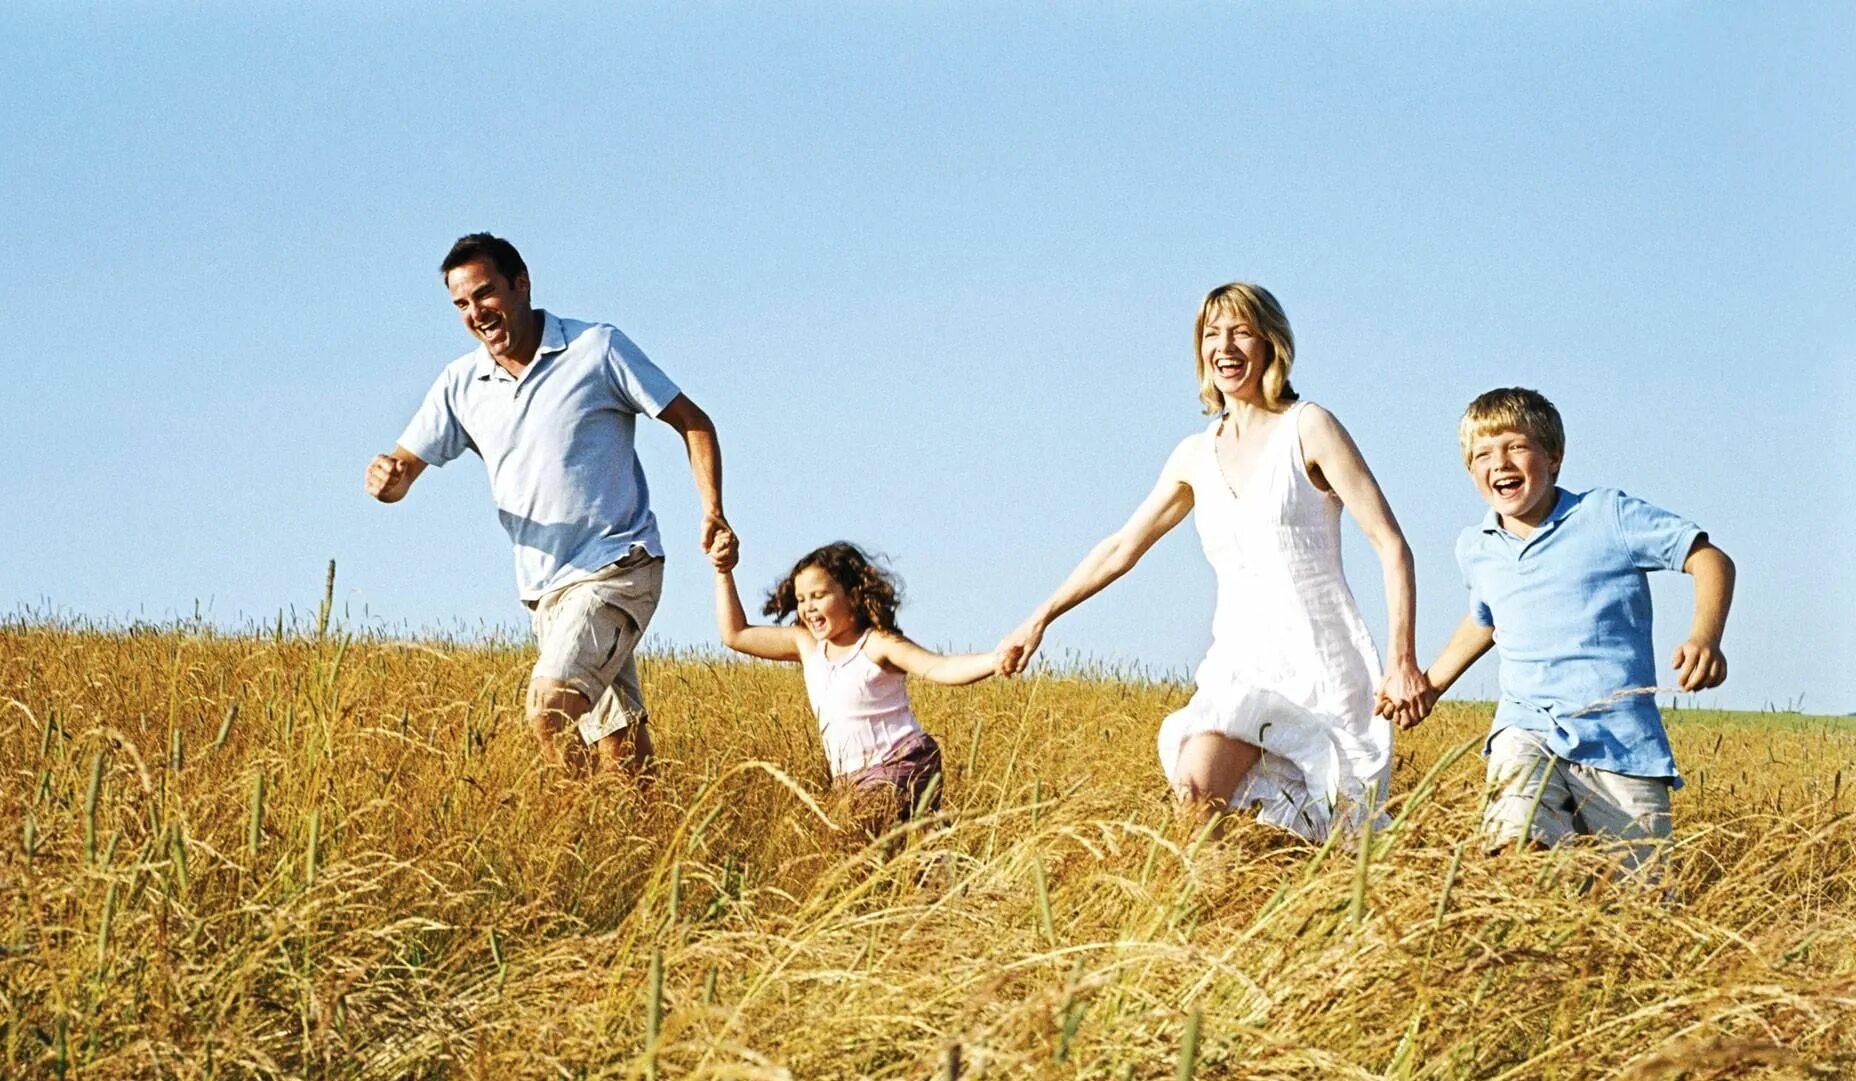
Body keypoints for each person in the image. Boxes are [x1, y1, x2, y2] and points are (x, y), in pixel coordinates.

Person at [998, 283, 1429, 841]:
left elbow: (1392, 543)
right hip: (1242, 665)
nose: (1224, 346)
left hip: (1319, 667)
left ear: (1271, 343)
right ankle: (1205, 923)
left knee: (1333, 839)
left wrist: (1402, 659)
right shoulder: (1195, 456)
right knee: (1196, 790)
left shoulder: (1309, 428)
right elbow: (1122, 546)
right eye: (1211, 334)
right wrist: (1042, 616)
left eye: (1241, 332)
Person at [365, 233, 738, 777]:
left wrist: (713, 508)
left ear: (522, 284)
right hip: (545, 592)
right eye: (461, 305)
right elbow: (402, 473)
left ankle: (568, 835)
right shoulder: (461, 383)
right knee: (621, 750)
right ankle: (649, 845)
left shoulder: (596, 349)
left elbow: (693, 421)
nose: (475, 313)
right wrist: (387, 480)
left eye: (485, 294)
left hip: (617, 566)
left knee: (548, 709)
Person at [1404, 387, 1736, 875]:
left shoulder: (1607, 516)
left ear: (1553, 457)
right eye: (1482, 454)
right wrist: (1430, 686)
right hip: (1527, 729)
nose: (1500, 462)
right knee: (1514, 851)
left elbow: (1708, 558)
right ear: (1471, 470)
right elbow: (1486, 621)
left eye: (1516, 446)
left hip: (1621, 744)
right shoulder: (1475, 546)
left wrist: (1705, 637)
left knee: (1639, 906)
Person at [713, 542, 1000, 828]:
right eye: (801, 599)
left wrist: (995, 660)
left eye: (818, 596)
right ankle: (939, 863)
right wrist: (723, 571)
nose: (808, 607)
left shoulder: (876, 644)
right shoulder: (807, 644)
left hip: (901, 762)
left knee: (852, 831)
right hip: (850, 781)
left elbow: (940, 667)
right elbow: (735, 634)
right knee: (879, 857)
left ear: (852, 596)